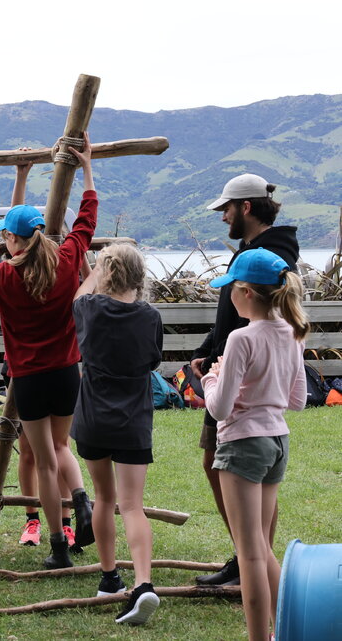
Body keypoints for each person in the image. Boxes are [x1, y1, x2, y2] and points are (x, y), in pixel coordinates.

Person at [0, 132, 97, 569]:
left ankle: (58, 546)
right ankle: (81, 501)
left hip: (29, 379)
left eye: (6, 237)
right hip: (67, 371)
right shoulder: (66, 259)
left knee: (44, 464)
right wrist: (86, 168)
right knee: (63, 448)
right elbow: (86, 218)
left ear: (13, 240)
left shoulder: (0, 277)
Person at [190, 173, 299, 587]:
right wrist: (207, 350)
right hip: (227, 368)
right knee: (216, 464)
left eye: (226, 209)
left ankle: (253, 561)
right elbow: (230, 315)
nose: (223, 217)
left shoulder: (270, 255)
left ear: (246, 207)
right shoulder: (252, 250)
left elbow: (255, 322)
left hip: (240, 384)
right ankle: (250, 557)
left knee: (239, 472)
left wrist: (217, 366)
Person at [201, 248, 307, 641]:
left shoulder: (240, 338)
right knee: (261, 546)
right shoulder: (292, 333)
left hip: (243, 444)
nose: (227, 295)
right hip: (277, 442)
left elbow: (220, 408)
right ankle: (288, 630)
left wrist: (211, 379)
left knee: (248, 554)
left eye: (230, 288)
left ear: (246, 292)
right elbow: (297, 400)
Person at [72, 243, 163, 624]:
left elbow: (79, 295)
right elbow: (153, 360)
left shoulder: (88, 309)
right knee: (132, 505)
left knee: (103, 498)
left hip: (93, 418)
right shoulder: (151, 317)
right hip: (134, 421)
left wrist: (94, 270)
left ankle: (109, 578)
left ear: (105, 273)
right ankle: (143, 583)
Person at [5, 155, 78, 552]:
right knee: (33, 450)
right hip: (40, 368)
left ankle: (62, 522)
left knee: (52, 450)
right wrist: (21, 176)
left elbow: (15, 227)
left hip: (37, 369)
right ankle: (34, 519)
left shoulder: (54, 262)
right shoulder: (24, 261)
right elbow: (14, 223)